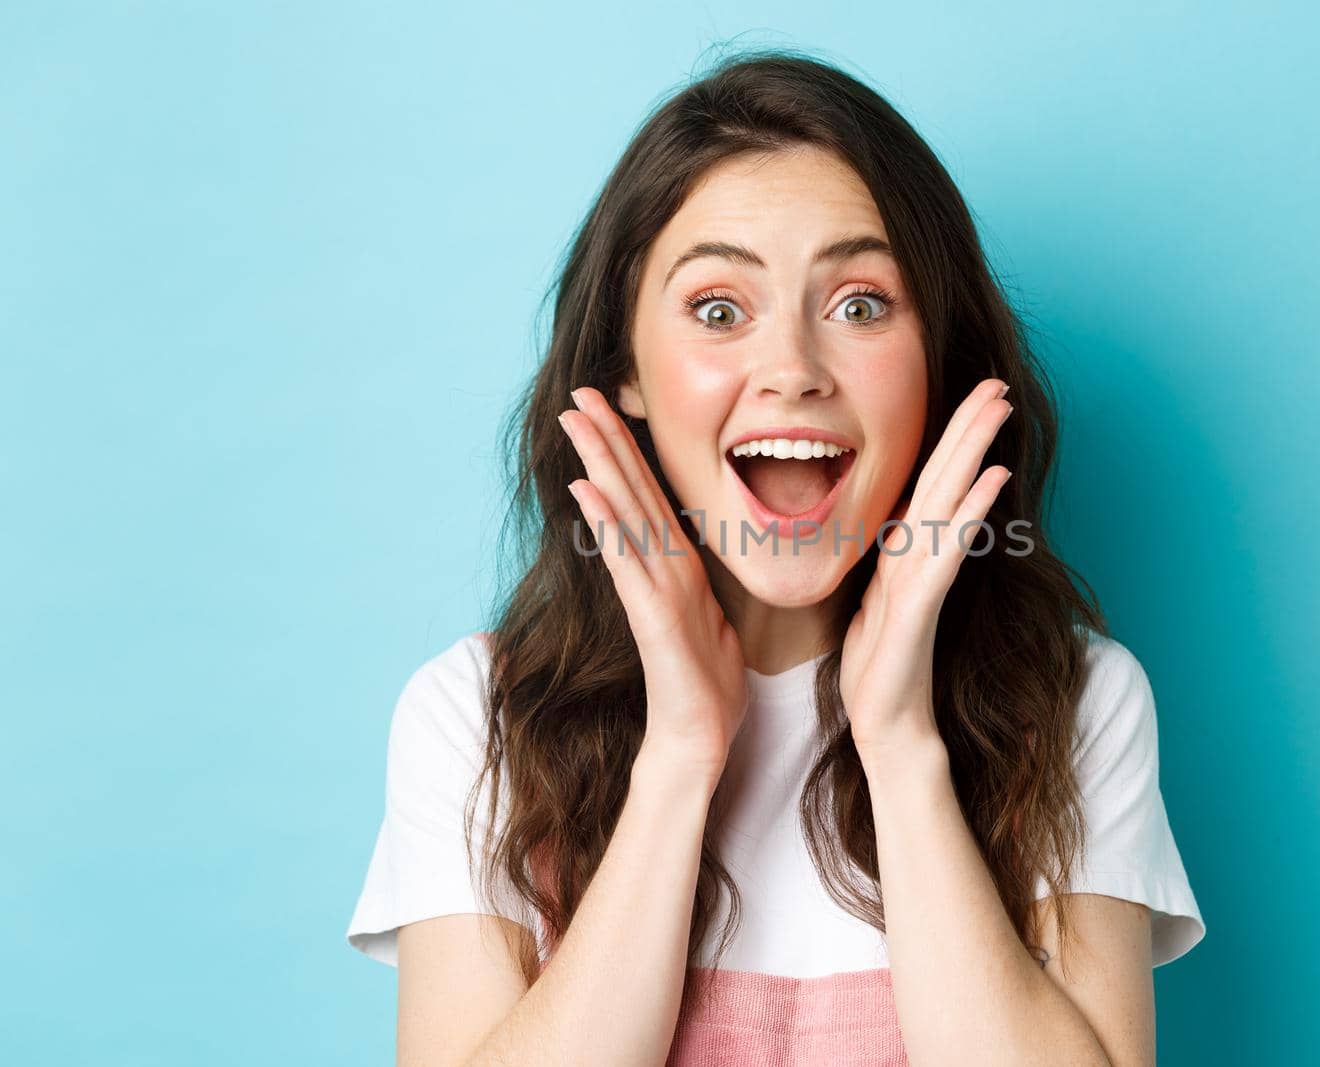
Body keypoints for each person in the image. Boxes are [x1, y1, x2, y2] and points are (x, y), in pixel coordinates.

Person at [346, 48, 1204, 1067]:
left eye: (860, 304)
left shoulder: (1077, 702)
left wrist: (897, 738)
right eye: (719, 309)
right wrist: (678, 755)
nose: (792, 370)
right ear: (624, 367)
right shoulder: (472, 715)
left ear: (938, 363)